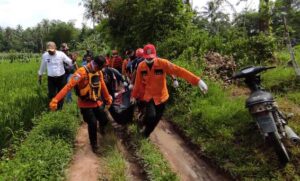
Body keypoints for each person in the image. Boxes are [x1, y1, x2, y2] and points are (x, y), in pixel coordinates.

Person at [131, 44, 208, 138]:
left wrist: (197, 81)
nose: (150, 60)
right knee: (150, 117)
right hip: (149, 96)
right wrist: (134, 96)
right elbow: (137, 83)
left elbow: (179, 71)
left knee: (155, 120)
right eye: (147, 58)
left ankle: (145, 135)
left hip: (162, 97)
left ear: (155, 55)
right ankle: (142, 122)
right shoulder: (141, 66)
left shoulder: (163, 63)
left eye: (151, 58)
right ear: (144, 57)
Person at [49, 55, 112, 152]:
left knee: (104, 119)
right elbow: (68, 86)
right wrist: (56, 100)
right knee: (92, 123)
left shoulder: (98, 72)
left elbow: (102, 85)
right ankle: (94, 146)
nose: (101, 69)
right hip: (85, 104)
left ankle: (101, 128)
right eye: (100, 67)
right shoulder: (81, 72)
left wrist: (107, 98)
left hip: (97, 101)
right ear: (95, 64)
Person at [38, 41, 74, 110]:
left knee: (61, 93)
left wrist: (73, 61)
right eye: (49, 51)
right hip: (51, 78)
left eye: (52, 50)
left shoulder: (61, 54)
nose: (50, 52)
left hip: (61, 77)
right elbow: (42, 66)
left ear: (55, 48)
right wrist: (40, 75)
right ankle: (53, 107)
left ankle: (59, 108)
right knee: (51, 94)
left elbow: (69, 62)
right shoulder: (45, 55)